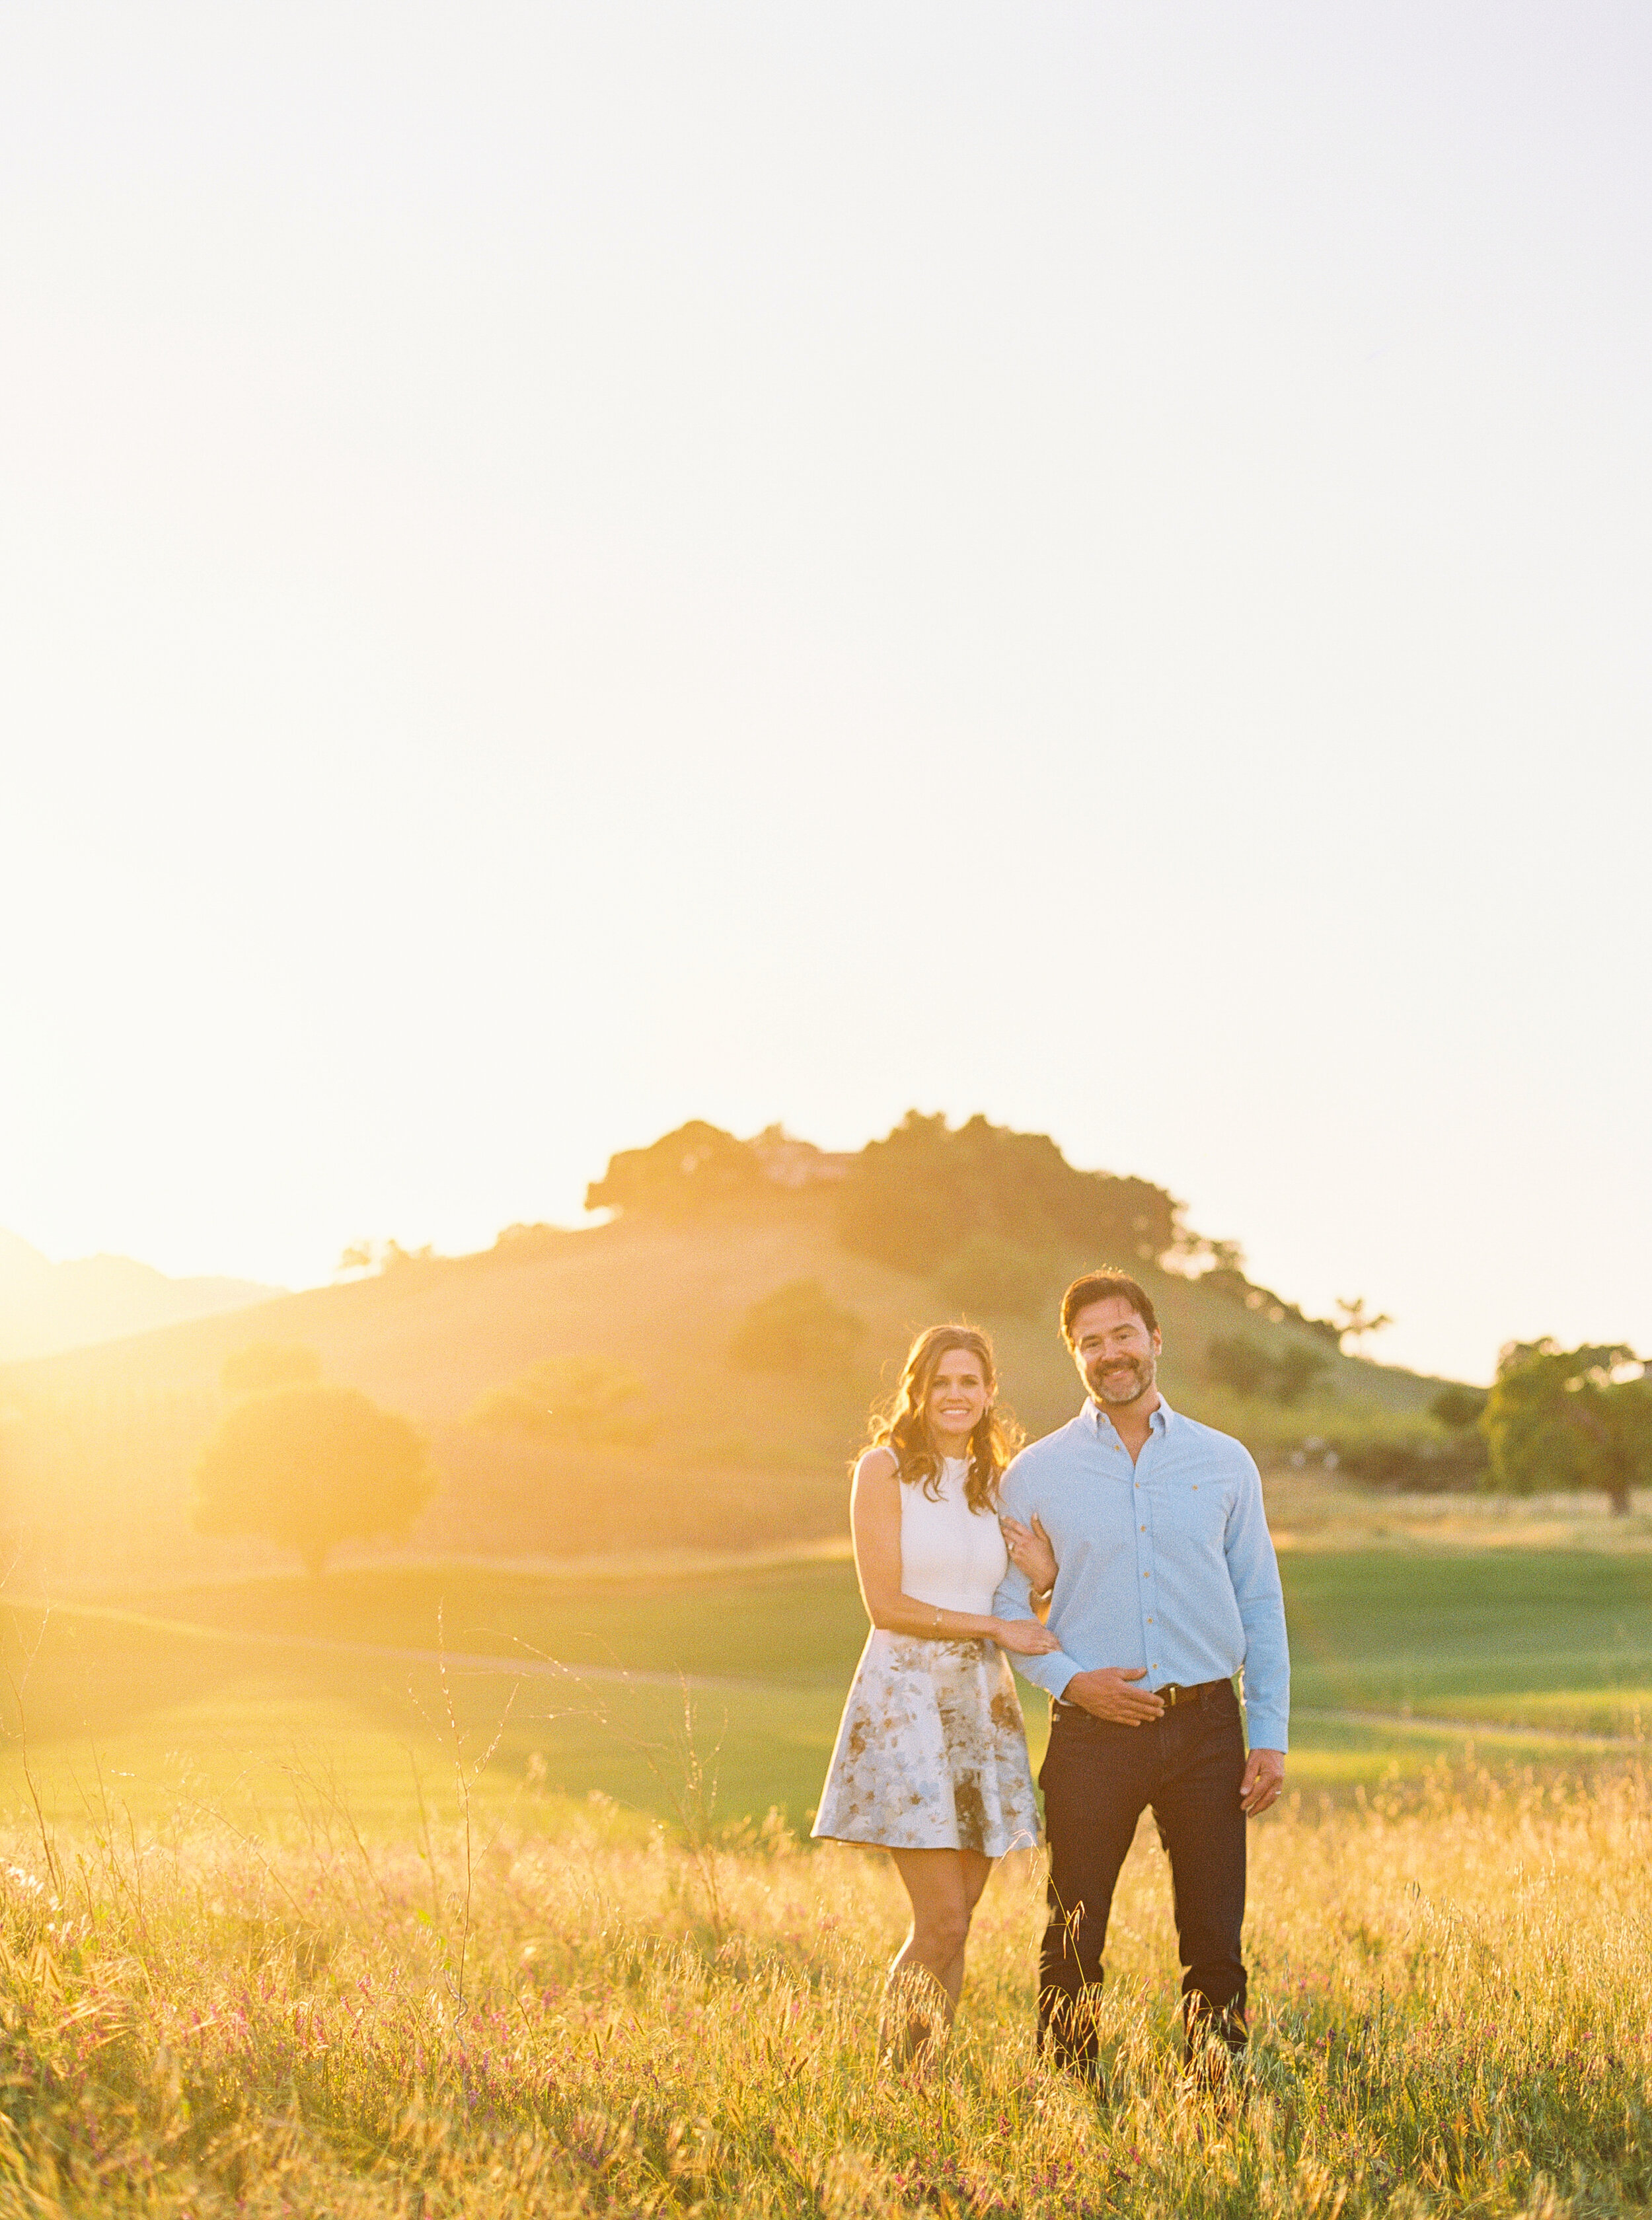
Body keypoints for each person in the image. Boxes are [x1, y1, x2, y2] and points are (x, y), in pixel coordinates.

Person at [992, 1269, 1289, 2085]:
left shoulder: (1224, 1462)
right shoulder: (1034, 1473)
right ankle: (1068, 2098)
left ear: (1153, 1341)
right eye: (1091, 1342)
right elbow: (1010, 1611)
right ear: (1074, 1356)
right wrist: (1072, 1683)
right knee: (1073, 1932)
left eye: (1123, 1334)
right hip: (1091, 1733)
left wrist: (1267, 1736)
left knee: (1213, 1935)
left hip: (1205, 1727)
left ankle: (1216, 2098)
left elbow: (1260, 1603)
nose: (1110, 1353)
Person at [813, 1323, 1062, 2068]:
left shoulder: (999, 1483)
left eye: (971, 1382)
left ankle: (927, 2078)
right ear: (918, 1391)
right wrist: (993, 1625)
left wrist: (1044, 1577)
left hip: (979, 1707)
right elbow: (884, 1604)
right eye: (942, 1382)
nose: (956, 1396)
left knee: (961, 1920)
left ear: (989, 1394)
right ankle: (898, 2082)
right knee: (943, 1918)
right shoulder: (882, 1470)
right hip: (904, 1703)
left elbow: (1026, 1610)